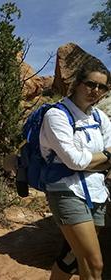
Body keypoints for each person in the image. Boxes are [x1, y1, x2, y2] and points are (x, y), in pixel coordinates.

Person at [39, 61, 111, 280]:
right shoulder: (56, 115)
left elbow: (84, 160)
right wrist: (105, 157)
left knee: (71, 256)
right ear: (78, 84)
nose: (95, 91)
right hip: (67, 191)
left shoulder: (100, 118)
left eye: (102, 87)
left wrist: (94, 160)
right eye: (90, 84)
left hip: (97, 192)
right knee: (93, 263)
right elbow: (74, 161)